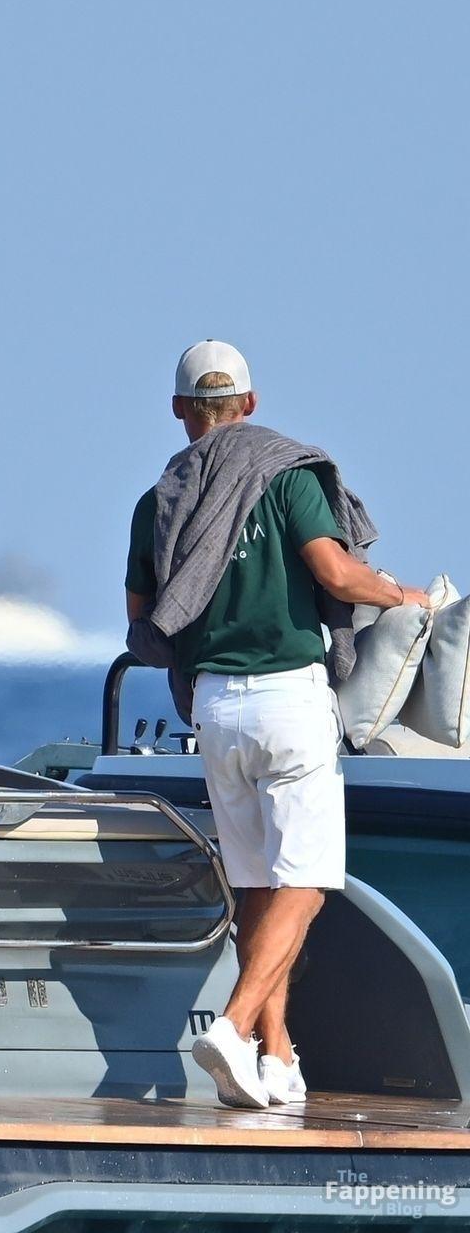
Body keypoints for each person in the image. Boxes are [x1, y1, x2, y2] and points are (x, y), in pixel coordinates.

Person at [124, 339, 428, 1110]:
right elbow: (336, 573)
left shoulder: (159, 501)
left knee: (258, 887)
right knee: (307, 883)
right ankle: (233, 1027)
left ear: (180, 409)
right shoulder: (287, 475)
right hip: (289, 699)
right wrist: (403, 596)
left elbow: (143, 621)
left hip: (214, 709)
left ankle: (276, 1056)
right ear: (251, 404)